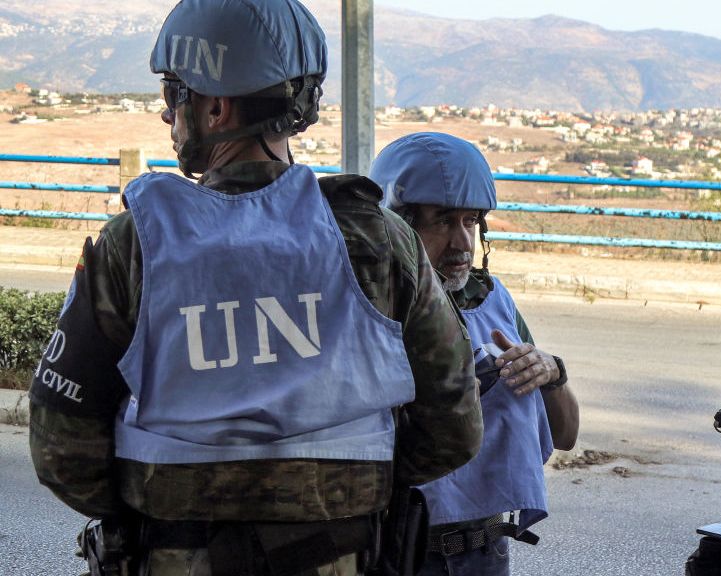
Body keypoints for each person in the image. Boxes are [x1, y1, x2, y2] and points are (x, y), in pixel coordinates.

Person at [28, 2, 483, 575]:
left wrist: (158, 515)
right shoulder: (381, 241)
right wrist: (343, 493)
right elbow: (454, 426)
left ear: (215, 107)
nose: (169, 116)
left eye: (174, 94)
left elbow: (61, 448)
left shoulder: (136, 242)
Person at [369, 132, 580, 576]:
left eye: (471, 220)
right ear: (397, 224)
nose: (462, 242)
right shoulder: (372, 308)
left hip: (486, 551)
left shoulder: (491, 301)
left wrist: (552, 372)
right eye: (443, 221)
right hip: (399, 550)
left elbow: (565, 435)